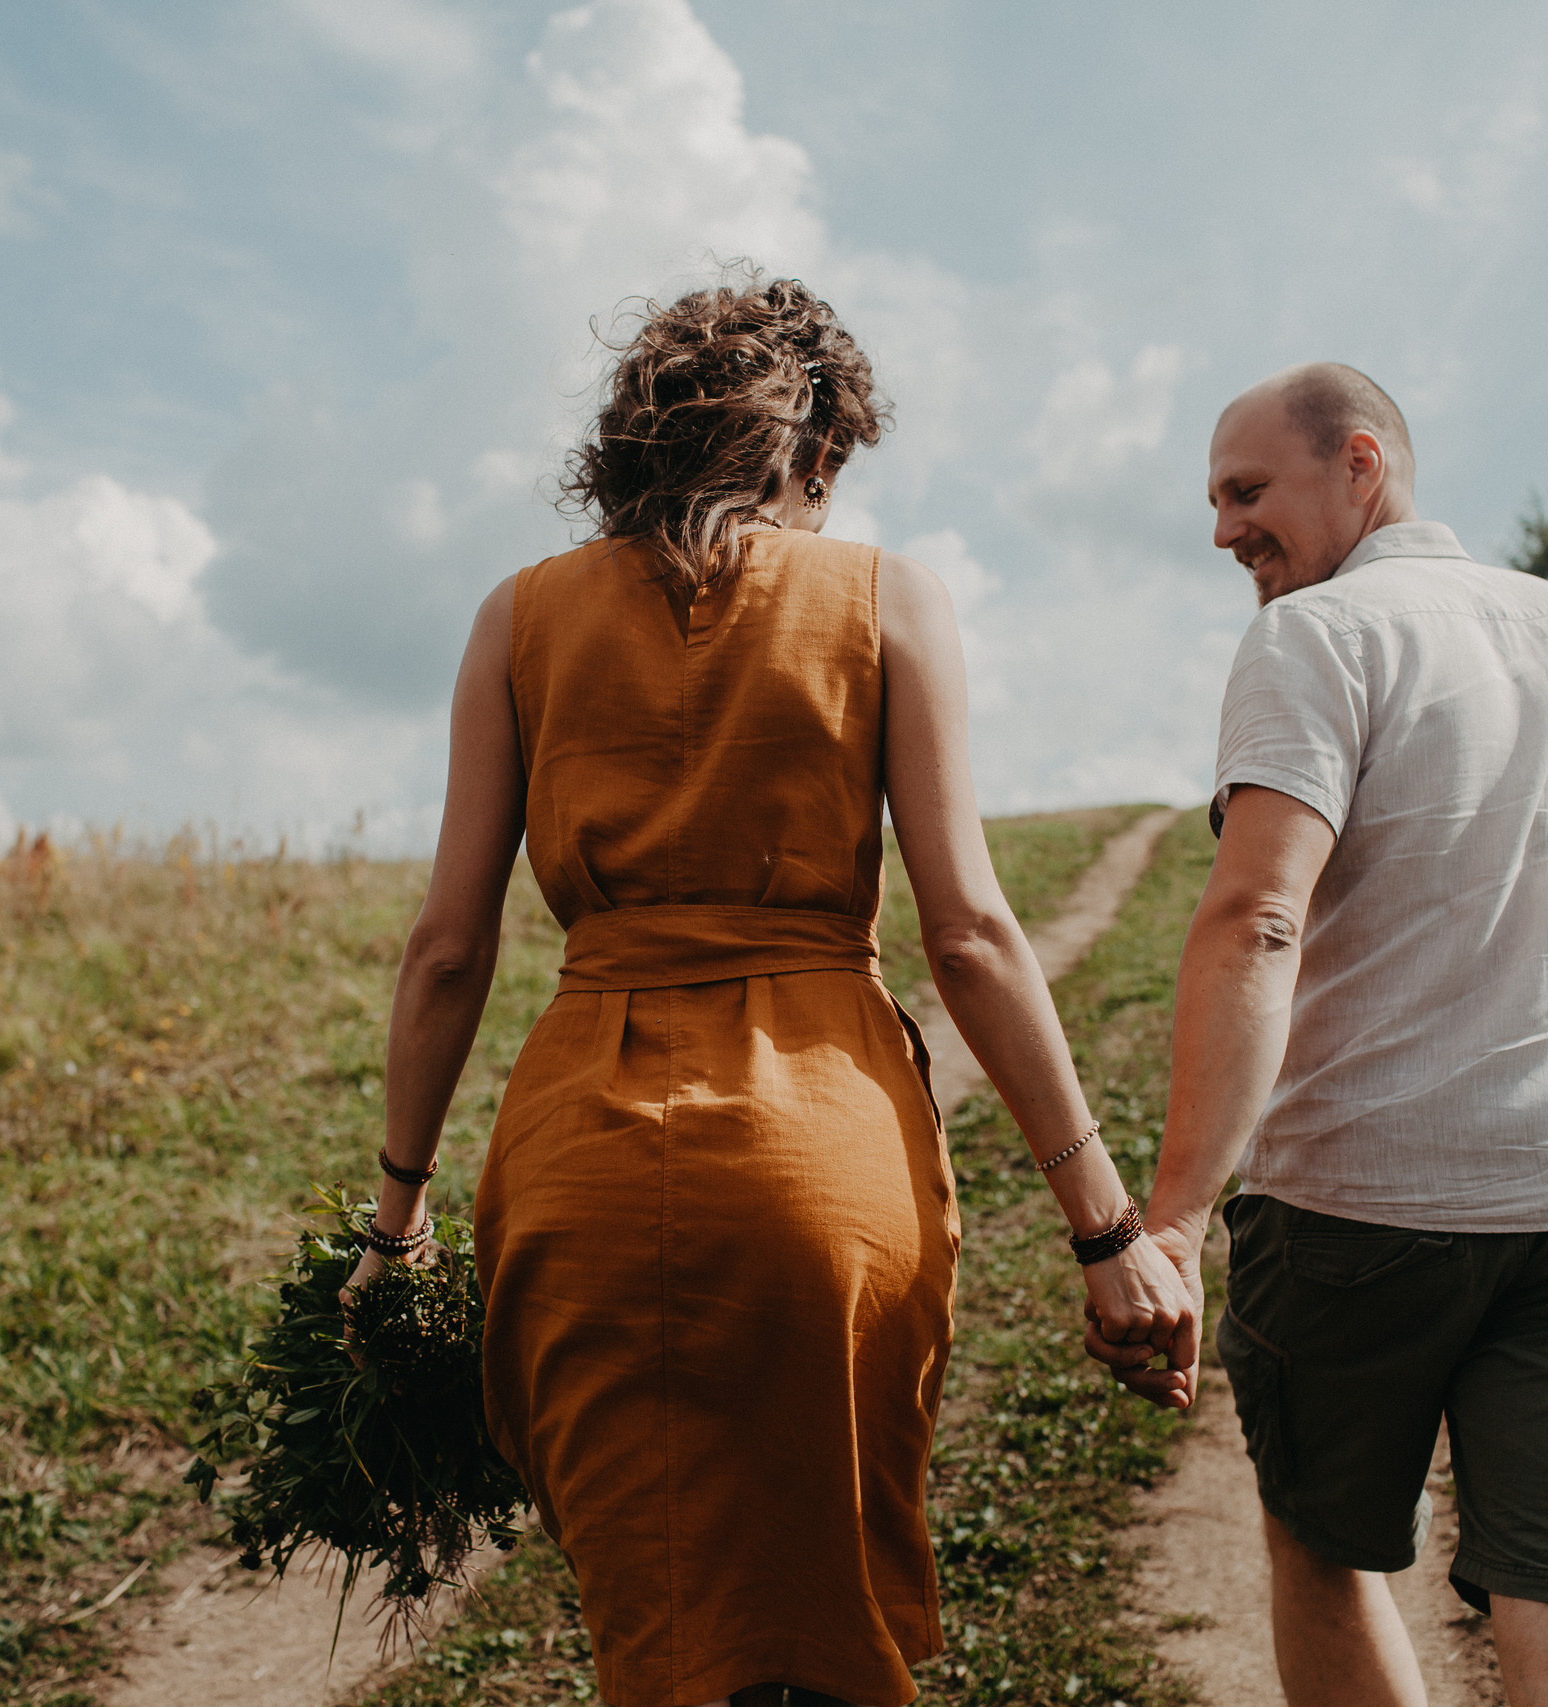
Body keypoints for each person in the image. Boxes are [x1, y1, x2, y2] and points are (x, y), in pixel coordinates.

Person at [345, 273, 1178, 1707]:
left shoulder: (519, 619)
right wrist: (1104, 1227)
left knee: (655, 1631)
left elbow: (447, 951)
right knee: (818, 1626)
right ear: (811, 452)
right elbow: (969, 932)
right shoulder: (885, 599)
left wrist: (397, 1225)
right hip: (825, 1164)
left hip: (579, 1166)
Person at [1090, 364, 1548, 1707]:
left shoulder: (1319, 637)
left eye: (1248, 492)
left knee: (1325, 1561)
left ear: (1360, 463)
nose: (1223, 531)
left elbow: (1254, 919)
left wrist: (1175, 1221)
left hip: (1364, 1211)